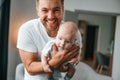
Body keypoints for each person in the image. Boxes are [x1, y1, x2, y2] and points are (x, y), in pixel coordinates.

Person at [17, 0, 82, 80]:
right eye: (45, 10)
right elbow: (30, 68)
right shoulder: (27, 30)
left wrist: (73, 61)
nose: (51, 16)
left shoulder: (73, 32)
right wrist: (56, 61)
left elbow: (77, 55)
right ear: (38, 10)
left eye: (56, 10)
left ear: (62, 9)